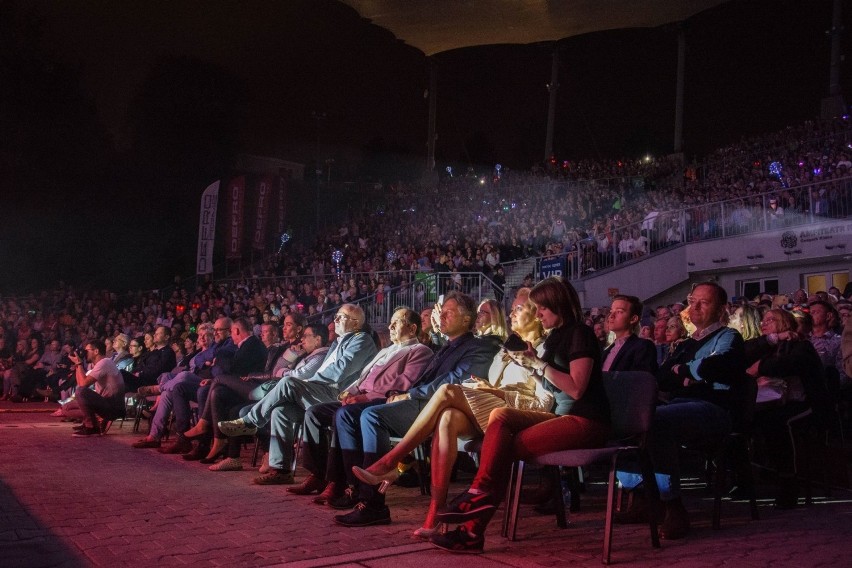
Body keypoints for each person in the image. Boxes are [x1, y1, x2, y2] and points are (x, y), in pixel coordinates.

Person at [425, 277, 609, 553]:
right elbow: (552, 385)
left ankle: (473, 523)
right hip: (560, 417)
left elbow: (576, 389)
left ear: (557, 304)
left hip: (586, 421)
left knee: (502, 450)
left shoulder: (579, 333)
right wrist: (533, 365)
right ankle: (475, 506)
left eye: (542, 309)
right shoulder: (556, 336)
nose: (538, 314)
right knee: (500, 415)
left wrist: (538, 364)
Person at [352, 288, 554, 538]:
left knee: (448, 391)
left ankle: (392, 460)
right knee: (446, 417)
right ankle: (435, 513)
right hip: (491, 406)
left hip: (517, 412)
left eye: (519, 308)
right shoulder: (505, 350)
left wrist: (498, 393)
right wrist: (488, 388)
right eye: (512, 308)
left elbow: (545, 402)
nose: (512, 312)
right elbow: (491, 385)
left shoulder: (545, 348)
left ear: (537, 315)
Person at [332, 291, 498, 527]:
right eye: (442, 312)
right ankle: (357, 488)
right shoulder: (447, 347)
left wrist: (409, 394)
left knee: (372, 416)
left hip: (434, 407)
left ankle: (373, 504)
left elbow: (455, 381)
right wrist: (396, 395)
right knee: (347, 415)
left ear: (466, 319)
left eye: (449, 313)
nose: (441, 317)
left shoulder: (479, 346)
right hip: (417, 401)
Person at [617, 282, 748, 541]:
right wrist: (689, 373)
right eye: (693, 300)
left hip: (713, 409)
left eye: (704, 302)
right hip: (680, 405)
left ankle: (672, 505)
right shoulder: (686, 344)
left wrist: (685, 371)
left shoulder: (728, 337)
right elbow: (663, 377)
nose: (695, 307)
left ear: (721, 309)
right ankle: (641, 495)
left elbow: (717, 366)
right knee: (628, 419)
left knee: (656, 422)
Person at [214, 305, 377, 479]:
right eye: (335, 316)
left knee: (288, 382)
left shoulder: (361, 340)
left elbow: (339, 370)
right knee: (280, 411)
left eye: (340, 317)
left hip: (338, 395)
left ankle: (251, 421)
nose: (335, 320)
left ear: (355, 322)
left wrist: (305, 383)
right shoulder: (338, 342)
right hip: (322, 391)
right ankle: (281, 471)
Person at [289, 308, 432, 499]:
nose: (390, 326)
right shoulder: (385, 351)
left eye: (396, 322)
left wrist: (365, 397)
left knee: (345, 414)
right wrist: (349, 392)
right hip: (361, 398)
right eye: (390, 322)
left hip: (383, 401)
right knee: (315, 413)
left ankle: (349, 483)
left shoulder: (420, 351)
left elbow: (403, 384)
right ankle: (320, 475)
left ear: (412, 328)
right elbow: (362, 378)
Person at [745, 308, 825, 508]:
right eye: (762, 320)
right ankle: (745, 479)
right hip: (769, 402)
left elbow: (790, 364)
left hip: (803, 403)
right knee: (743, 419)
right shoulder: (767, 345)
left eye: (771, 319)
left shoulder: (801, 345)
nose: (764, 323)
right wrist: (772, 339)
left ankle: (789, 482)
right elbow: (743, 352)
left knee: (777, 422)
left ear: (785, 323)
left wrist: (760, 367)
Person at [182, 316, 268, 467]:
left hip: (255, 388)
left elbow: (234, 369)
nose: (231, 336)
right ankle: (220, 441)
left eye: (231, 332)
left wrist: (219, 363)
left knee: (218, 380)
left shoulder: (252, 344)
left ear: (235, 330)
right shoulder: (246, 345)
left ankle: (204, 425)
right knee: (218, 393)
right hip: (244, 386)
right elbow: (233, 371)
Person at [67, 339, 125, 437]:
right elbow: (80, 382)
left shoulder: (104, 363)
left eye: (87, 350)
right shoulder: (100, 364)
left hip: (113, 407)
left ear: (96, 351)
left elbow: (82, 386)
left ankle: (92, 427)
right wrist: (78, 364)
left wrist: (79, 364)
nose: (85, 353)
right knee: (66, 408)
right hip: (106, 403)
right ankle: (89, 422)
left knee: (81, 392)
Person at [601, 295, 657, 373]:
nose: (611, 316)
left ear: (633, 319)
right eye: (611, 311)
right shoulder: (607, 349)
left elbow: (641, 380)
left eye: (619, 312)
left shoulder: (643, 346)